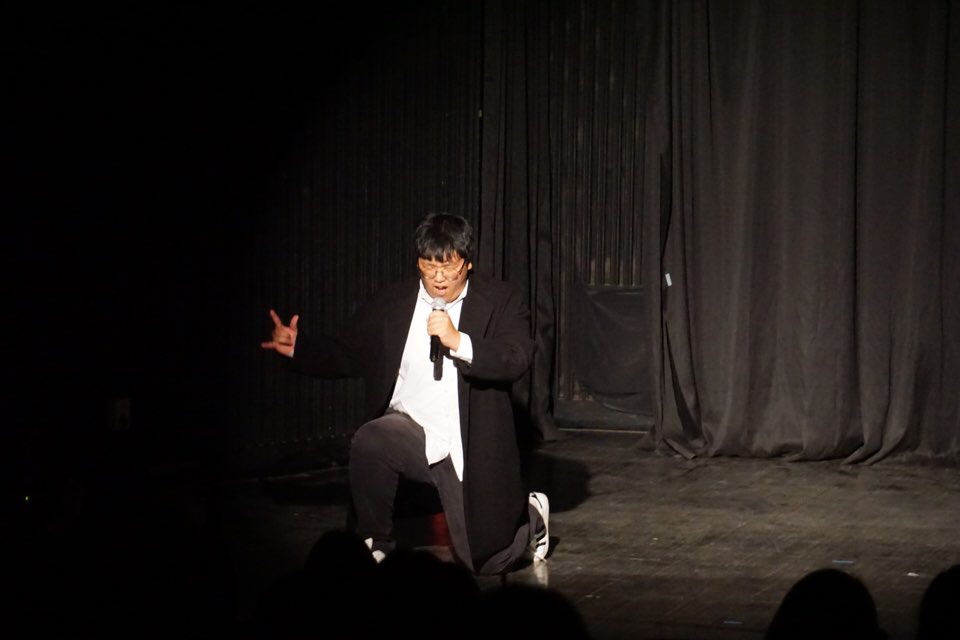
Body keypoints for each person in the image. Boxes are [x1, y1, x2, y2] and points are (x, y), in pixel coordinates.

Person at [261, 212, 549, 575]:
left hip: (464, 444)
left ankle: (532, 514)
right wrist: (299, 348)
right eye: (430, 266)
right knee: (372, 439)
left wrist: (458, 341)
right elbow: (350, 352)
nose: (439, 278)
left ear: (467, 264)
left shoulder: (501, 300)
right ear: (418, 263)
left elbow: (516, 356)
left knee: (489, 562)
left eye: (449, 267)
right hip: (410, 432)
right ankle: (376, 545)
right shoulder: (394, 303)